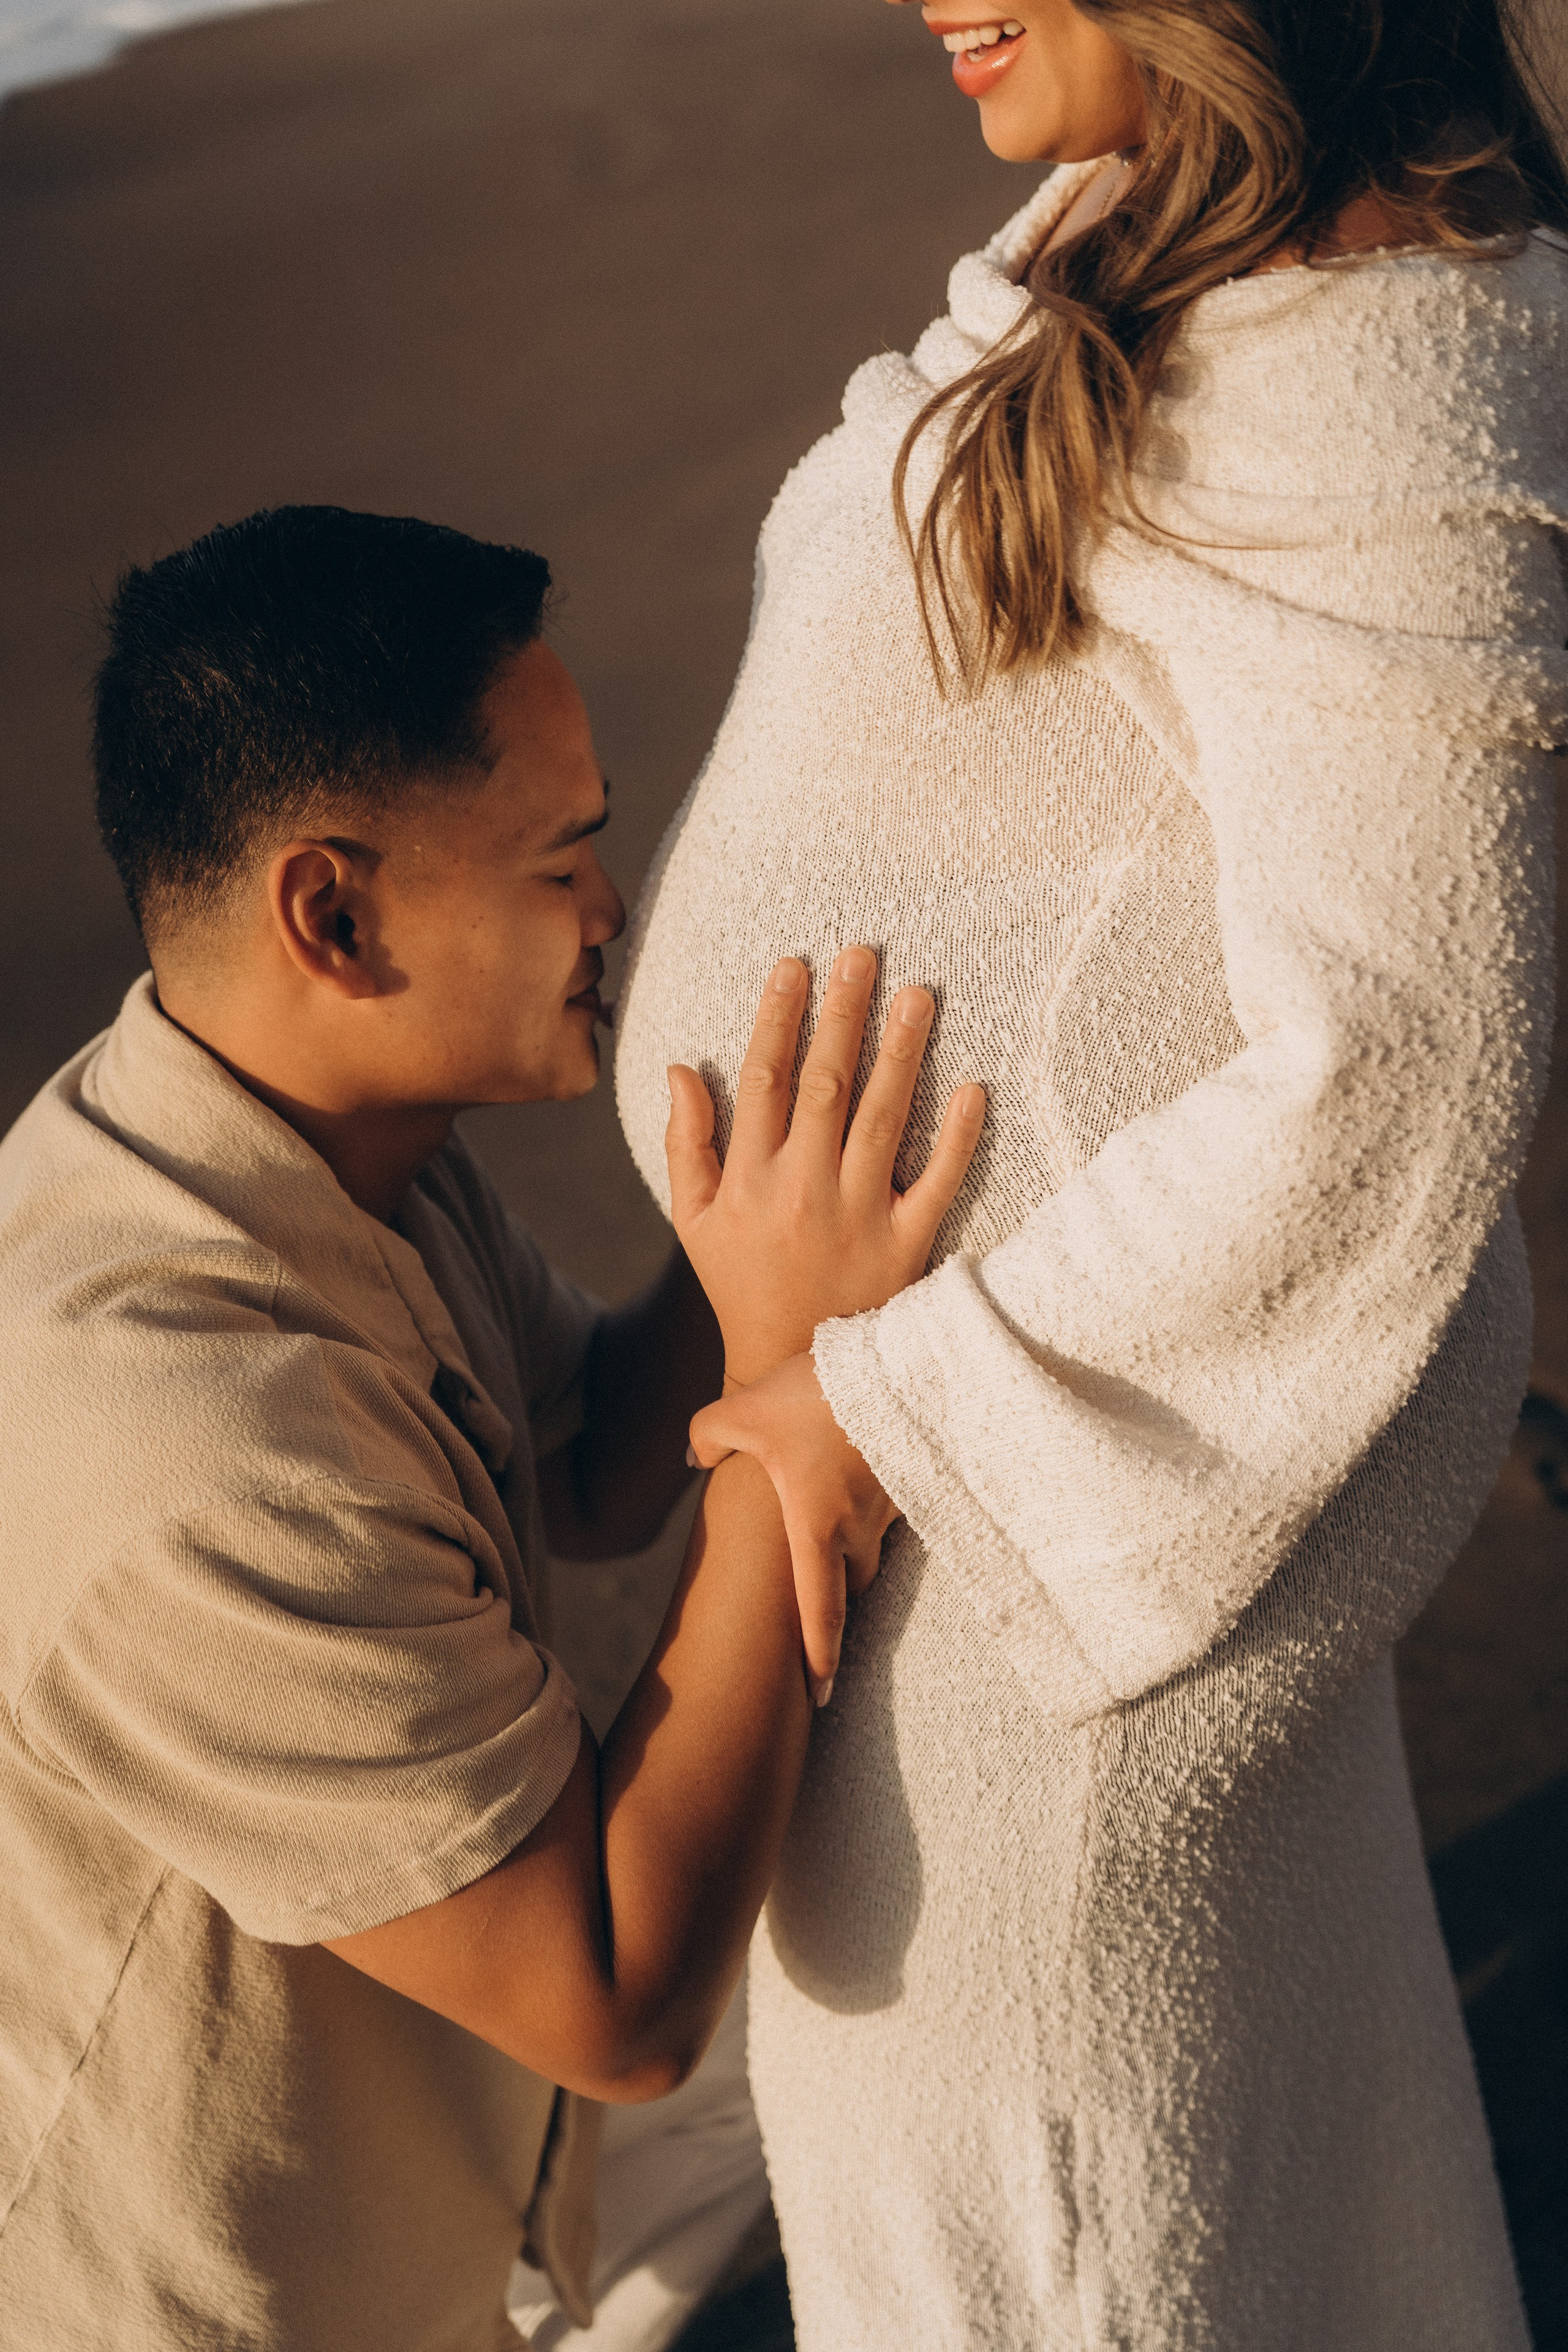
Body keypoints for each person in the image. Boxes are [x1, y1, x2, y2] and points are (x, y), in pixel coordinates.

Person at [611, 1, 1568, 2343]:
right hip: (1021, 1542)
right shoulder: (1164, 257)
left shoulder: (1377, 364)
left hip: (1040, 1562)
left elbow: (1410, 1052)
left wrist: (891, 1408)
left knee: (1050, 2259)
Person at [0, 504, 978, 2352]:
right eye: (565, 863)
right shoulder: (189, 1444)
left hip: (460, 2191)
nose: (617, 915)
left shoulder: (312, 1141)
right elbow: (616, 1999)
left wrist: (774, 1196)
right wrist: (800, 1394)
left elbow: (606, 1464)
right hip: (241, 2305)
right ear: (336, 914)